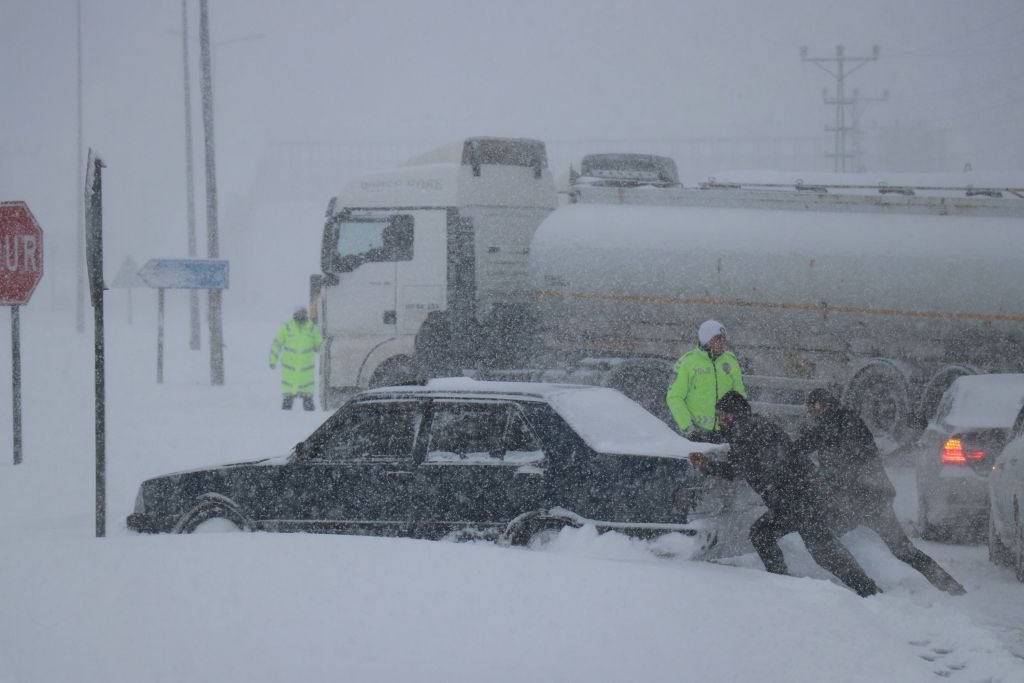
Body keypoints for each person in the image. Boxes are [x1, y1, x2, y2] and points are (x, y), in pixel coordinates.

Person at [689, 391, 882, 597]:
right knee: (776, 537)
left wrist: (709, 466)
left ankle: (865, 590)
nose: (719, 421)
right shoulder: (749, 427)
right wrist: (699, 443)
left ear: (732, 415)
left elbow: (740, 467)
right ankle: (787, 582)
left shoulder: (747, 431)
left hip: (798, 497)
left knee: (815, 548)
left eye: (721, 416)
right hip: (794, 497)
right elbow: (735, 451)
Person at [792, 388, 966, 595]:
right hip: (875, 498)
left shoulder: (833, 424)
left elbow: (809, 449)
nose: (811, 414)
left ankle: (866, 589)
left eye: (811, 408)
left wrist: (818, 478)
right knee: (903, 550)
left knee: (821, 540)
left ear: (820, 405)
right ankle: (951, 588)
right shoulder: (846, 420)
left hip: (859, 501)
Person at [667, 319, 746, 442]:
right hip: (697, 433)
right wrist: (688, 429)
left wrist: (738, 424)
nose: (721, 342)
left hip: (726, 432)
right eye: (717, 338)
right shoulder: (687, 362)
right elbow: (675, 397)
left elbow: (740, 396)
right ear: (705, 340)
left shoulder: (730, 360)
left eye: (723, 338)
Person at [269, 306, 324, 411]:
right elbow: (277, 345)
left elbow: (320, 346)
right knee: (287, 404)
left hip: (306, 376)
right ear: (294, 314)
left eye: (303, 312)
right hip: (290, 374)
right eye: (299, 312)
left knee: (308, 405)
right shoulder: (286, 327)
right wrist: (273, 360)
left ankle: (309, 424)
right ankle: (285, 423)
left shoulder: (312, 328)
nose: (301, 315)